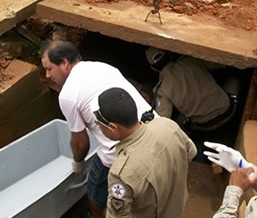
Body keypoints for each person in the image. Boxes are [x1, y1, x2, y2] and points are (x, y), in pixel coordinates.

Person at [40, 40, 158, 218]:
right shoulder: (103, 67)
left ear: (64, 63)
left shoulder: (68, 95)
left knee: (95, 185)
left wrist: (78, 163)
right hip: (154, 130)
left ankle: (96, 214)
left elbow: (81, 143)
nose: (48, 75)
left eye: (49, 69)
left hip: (123, 150)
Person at [91, 87, 197, 218]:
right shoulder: (167, 125)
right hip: (176, 208)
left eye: (99, 123)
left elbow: (118, 216)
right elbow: (191, 152)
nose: (98, 127)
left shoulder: (121, 174)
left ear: (113, 127)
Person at [145, 47, 237, 131]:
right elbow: (220, 64)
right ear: (169, 55)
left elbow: (163, 119)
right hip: (228, 110)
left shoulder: (161, 89)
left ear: (153, 68)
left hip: (206, 125)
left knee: (181, 120)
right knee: (234, 77)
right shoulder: (190, 61)